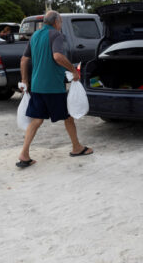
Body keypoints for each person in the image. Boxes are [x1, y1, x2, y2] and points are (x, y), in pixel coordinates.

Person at [16, 11, 93, 168]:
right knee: (68, 117)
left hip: (37, 86)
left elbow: (24, 60)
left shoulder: (35, 35)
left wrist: (24, 80)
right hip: (53, 87)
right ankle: (77, 147)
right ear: (56, 22)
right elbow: (57, 56)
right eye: (61, 23)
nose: (61, 25)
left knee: (36, 120)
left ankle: (24, 154)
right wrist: (73, 70)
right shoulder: (56, 35)